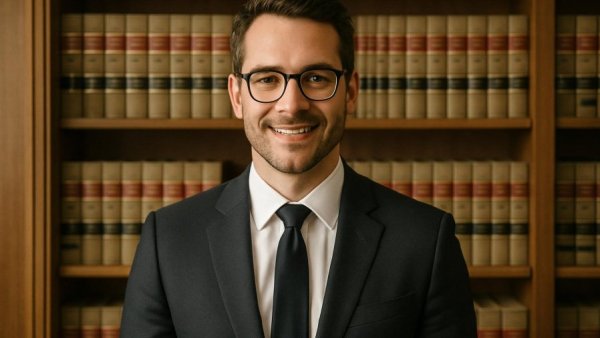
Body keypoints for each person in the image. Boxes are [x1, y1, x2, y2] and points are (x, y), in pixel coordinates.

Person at [120, 0, 477, 337]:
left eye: (317, 78)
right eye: (267, 79)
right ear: (237, 96)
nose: (291, 105)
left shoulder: (425, 241)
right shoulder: (168, 241)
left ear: (350, 91)